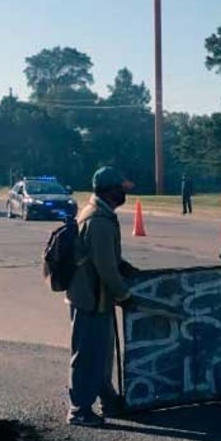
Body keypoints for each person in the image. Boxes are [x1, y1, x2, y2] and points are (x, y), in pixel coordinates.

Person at [65, 166, 141, 426]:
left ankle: (108, 400)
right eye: (121, 189)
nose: (124, 194)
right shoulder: (97, 220)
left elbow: (110, 259)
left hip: (96, 297)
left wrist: (126, 268)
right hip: (90, 298)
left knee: (100, 353)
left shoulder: (102, 214)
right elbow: (104, 266)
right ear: (109, 191)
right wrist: (124, 295)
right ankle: (79, 411)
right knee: (87, 355)